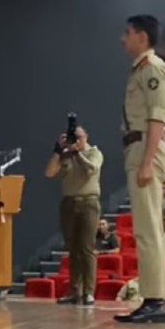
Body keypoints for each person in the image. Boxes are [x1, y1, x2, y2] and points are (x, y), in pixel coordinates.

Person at [114, 15, 165, 324]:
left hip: (145, 148)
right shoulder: (140, 69)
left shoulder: (153, 69)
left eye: (128, 33)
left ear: (141, 36)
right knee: (145, 228)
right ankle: (153, 298)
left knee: (148, 229)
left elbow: (157, 117)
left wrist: (148, 161)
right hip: (137, 147)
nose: (123, 39)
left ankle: (156, 300)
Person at [45, 125, 104, 305]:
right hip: (69, 202)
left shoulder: (94, 153)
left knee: (86, 248)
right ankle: (74, 290)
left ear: (86, 136)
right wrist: (58, 150)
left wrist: (78, 153)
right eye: (74, 138)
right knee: (72, 249)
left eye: (79, 137)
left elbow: (91, 170)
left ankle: (89, 291)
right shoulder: (66, 155)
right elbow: (49, 172)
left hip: (88, 203)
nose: (76, 141)